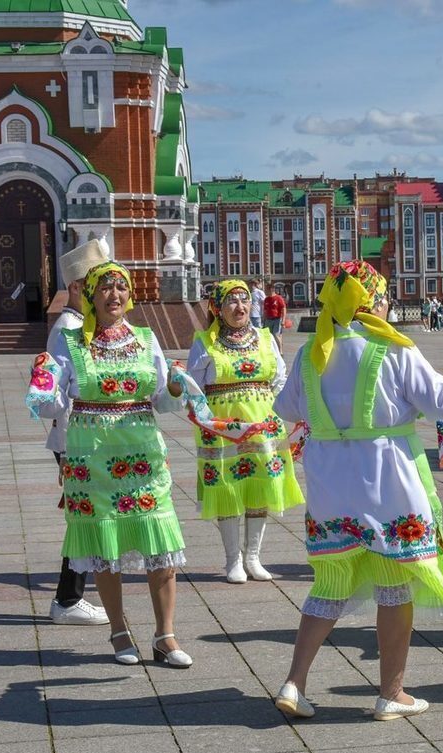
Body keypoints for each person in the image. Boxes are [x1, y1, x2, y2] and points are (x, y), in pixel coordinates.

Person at [272, 260, 443, 721]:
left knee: (328, 583)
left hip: (332, 485)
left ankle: (295, 681)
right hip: (388, 481)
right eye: (384, 297)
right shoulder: (392, 349)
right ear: (372, 301)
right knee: (394, 586)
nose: (388, 305)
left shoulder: (313, 350)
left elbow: (286, 406)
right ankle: (392, 692)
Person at [28, 263, 194, 668]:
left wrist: (175, 384)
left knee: (161, 544)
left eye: (121, 287)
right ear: (89, 296)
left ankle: (165, 636)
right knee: (105, 545)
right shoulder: (69, 342)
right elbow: (51, 405)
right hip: (92, 456)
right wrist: (43, 379)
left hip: (143, 456)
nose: (114, 294)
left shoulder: (145, 338)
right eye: (104, 288)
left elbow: (163, 400)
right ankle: (119, 632)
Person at [187, 279, 303, 583]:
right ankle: (232, 560)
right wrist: (206, 418)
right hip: (222, 428)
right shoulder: (205, 342)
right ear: (217, 307)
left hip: (263, 425)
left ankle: (253, 557)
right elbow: (194, 388)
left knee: (259, 486)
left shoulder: (265, 338)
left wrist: (287, 412)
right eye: (232, 301)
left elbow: (279, 379)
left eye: (245, 300)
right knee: (228, 489)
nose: (240, 307)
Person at [45, 240, 111, 626]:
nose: (105, 292)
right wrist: (72, 448)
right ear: (76, 287)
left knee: (88, 516)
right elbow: (56, 394)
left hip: (88, 438)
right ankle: (67, 600)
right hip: (75, 439)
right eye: (97, 284)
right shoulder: (67, 330)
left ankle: (73, 597)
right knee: (84, 518)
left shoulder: (84, 327)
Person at [262, 283, 287, 353]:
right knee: (268, 335)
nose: (265, 291)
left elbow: (283, 309)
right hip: (268, 320)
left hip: (277, 319)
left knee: (276, 334)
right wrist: (264, 320)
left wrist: (283, 320)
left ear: (271, 289)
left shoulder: (278, 298)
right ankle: (270, 350)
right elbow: (265, 310)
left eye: (266, 289)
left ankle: (280, 351)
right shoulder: (266, 299)